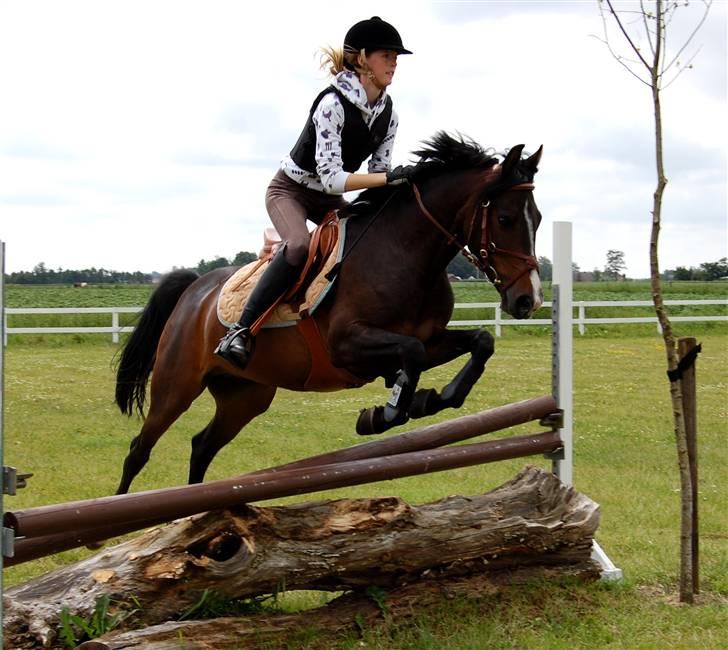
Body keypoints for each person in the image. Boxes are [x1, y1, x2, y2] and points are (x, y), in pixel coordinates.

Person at [216, 16, 415, 367]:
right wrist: (387, 180)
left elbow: (379, 174)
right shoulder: (332, 104)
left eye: (396, 57)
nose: (394, 63)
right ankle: (241, 331)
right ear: (363, 59)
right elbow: (332, 179)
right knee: (298, 248)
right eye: (387, 55)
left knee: (361, 244)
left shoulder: (389, 114)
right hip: (290, 191)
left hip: (326, 198)